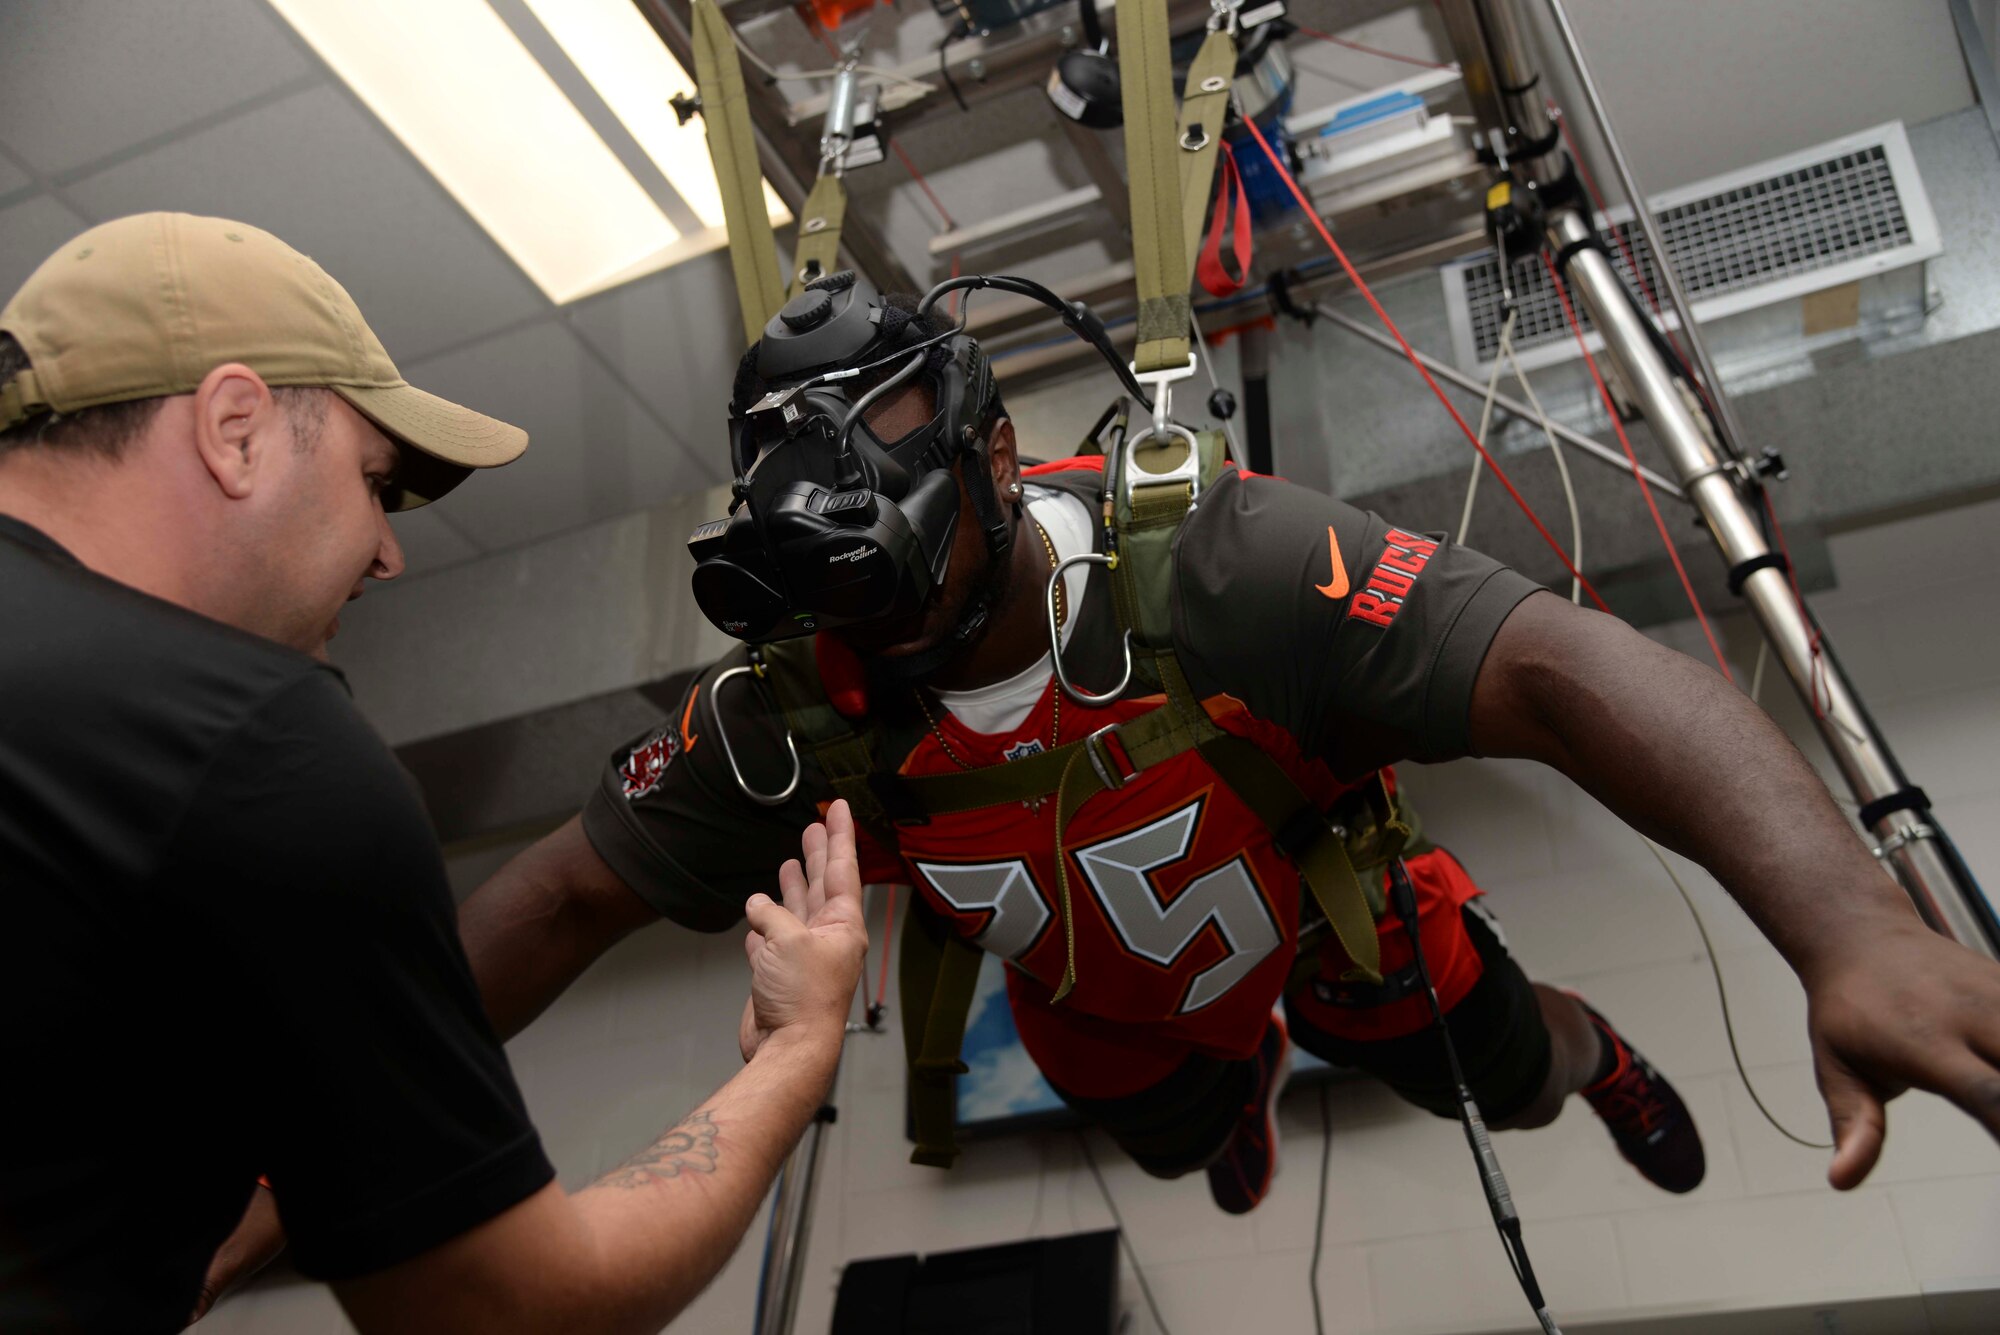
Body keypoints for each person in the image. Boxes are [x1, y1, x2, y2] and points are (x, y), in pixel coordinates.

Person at [443, 275, 2000, 1229]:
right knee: (1182, 1145)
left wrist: (1847, 924)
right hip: (1093, 995)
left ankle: (1600, 1059)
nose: (881, 613)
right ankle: (1239, 1072)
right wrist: (336, 1119)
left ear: (990, 454)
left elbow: (1559, 665)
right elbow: (572, 892)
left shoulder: (1216, 564)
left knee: (1509, 1077)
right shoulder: (793, 704)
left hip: (1324, 906)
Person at [0, 212, 868, 1335]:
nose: (387, 551)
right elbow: (518, 1313)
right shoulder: (249, 744)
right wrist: (797, 1050)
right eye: (375, 479)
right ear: (235, 428)